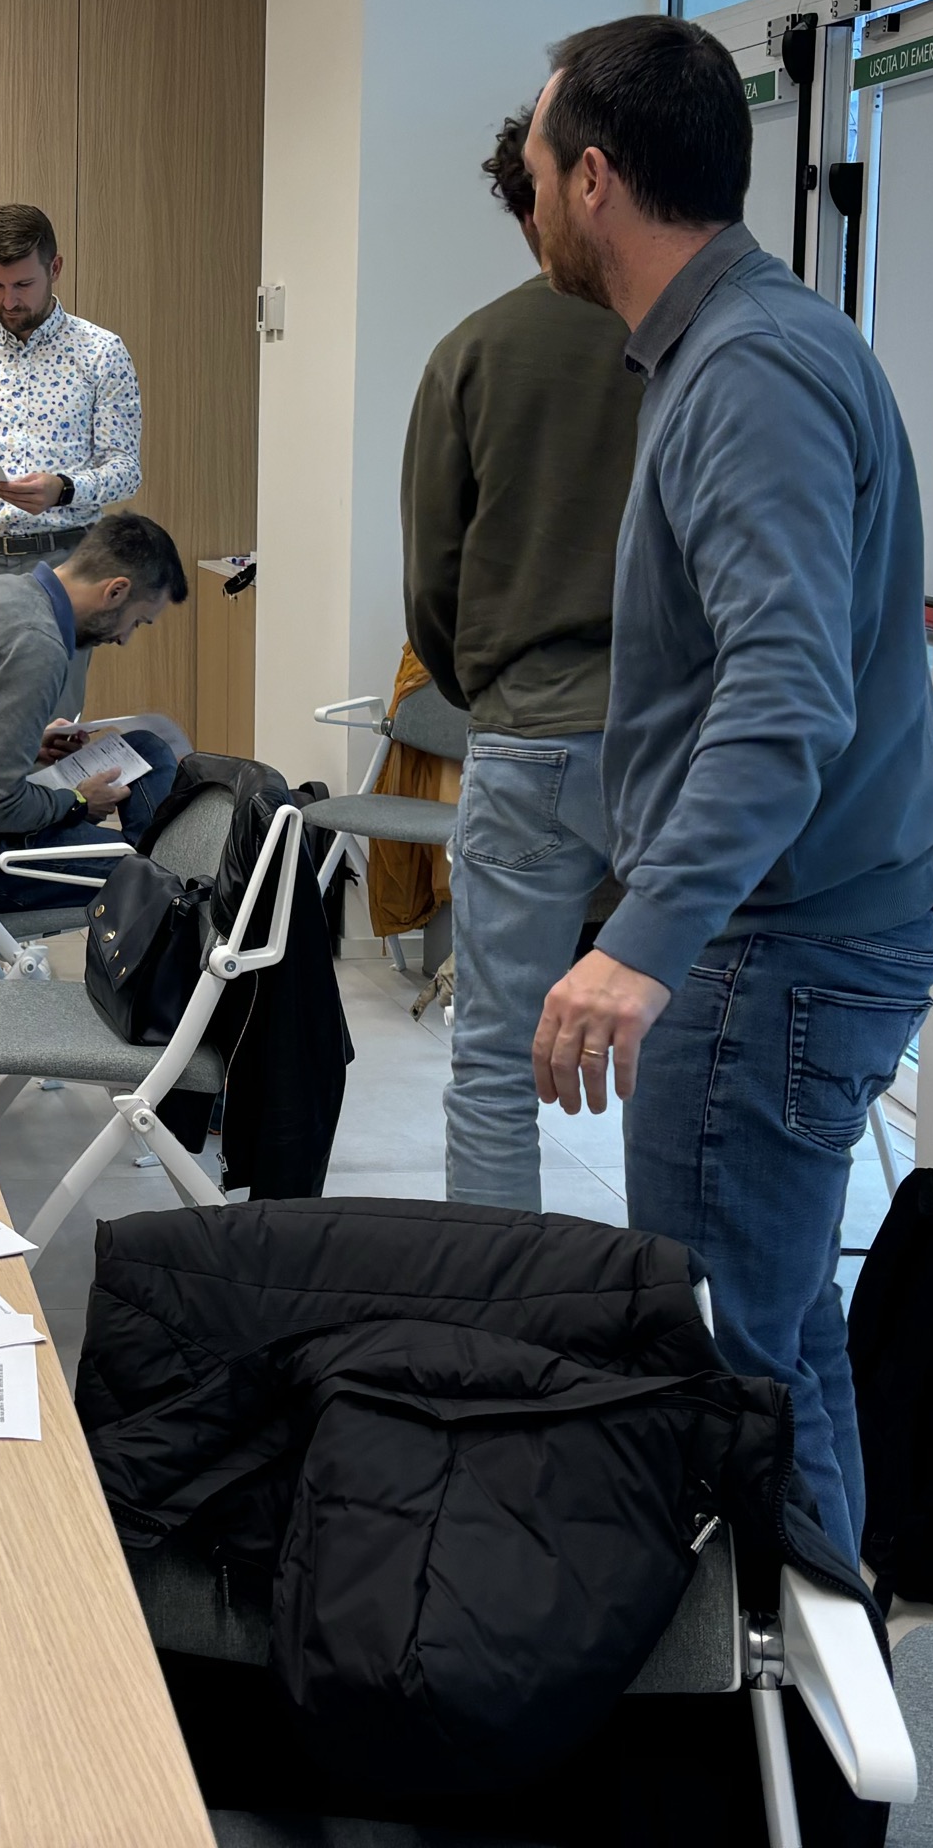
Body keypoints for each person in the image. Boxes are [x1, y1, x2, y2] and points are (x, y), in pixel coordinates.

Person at [524, 13, 933, 1565]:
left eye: (534, 160)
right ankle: (835, 1673)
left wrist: (640, 946)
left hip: (775, 948)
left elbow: (785, 700)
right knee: (779, 1331)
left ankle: (784, 1686)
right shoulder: (740, 346)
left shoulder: (751, 369)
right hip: (801, 930)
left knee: (727, 1363)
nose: (525, 188)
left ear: (591, 179)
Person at [401, 108, 644, 1210]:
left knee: (496, 1062)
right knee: (686, 1051)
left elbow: (433, 581)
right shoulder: (700, 343)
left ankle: (495, 1303)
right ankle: (669, 1293)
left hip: (533, 734)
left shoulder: (473, 353)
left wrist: (486, 693)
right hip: (682, 745)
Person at [0, 508, 189, 916]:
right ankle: (164, 899)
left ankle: (158, 893)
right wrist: (77, 801)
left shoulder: (0, 591)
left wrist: (30, 743)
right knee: (161, 880)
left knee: (148, 749)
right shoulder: (37, 643)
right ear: (116, 591)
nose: (124, 639)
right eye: (136, 622)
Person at [0, 205, 143, 703]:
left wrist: (65, 489)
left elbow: (125, 469)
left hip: (62, 564)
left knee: (48, 720)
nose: (8, 301)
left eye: (23, 285)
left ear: (55, 268)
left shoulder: (101, 352)